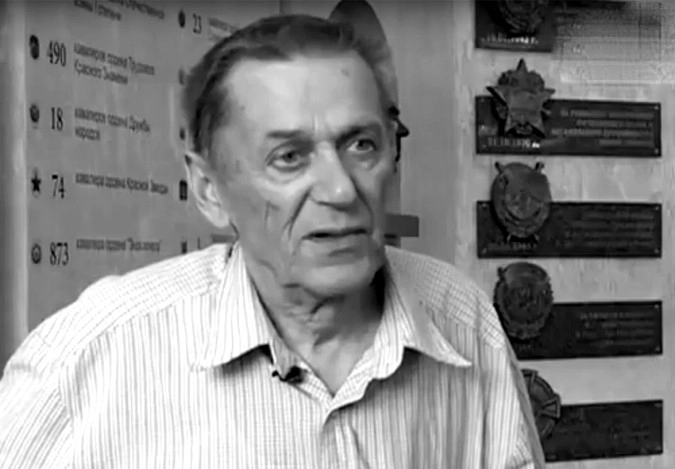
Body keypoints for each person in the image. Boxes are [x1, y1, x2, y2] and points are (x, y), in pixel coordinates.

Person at [0, 14, 545, 468]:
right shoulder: (87, 362)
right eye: (289, 157)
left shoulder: (464, 320)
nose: (340, 189)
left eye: (361, 144)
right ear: (209, 190)